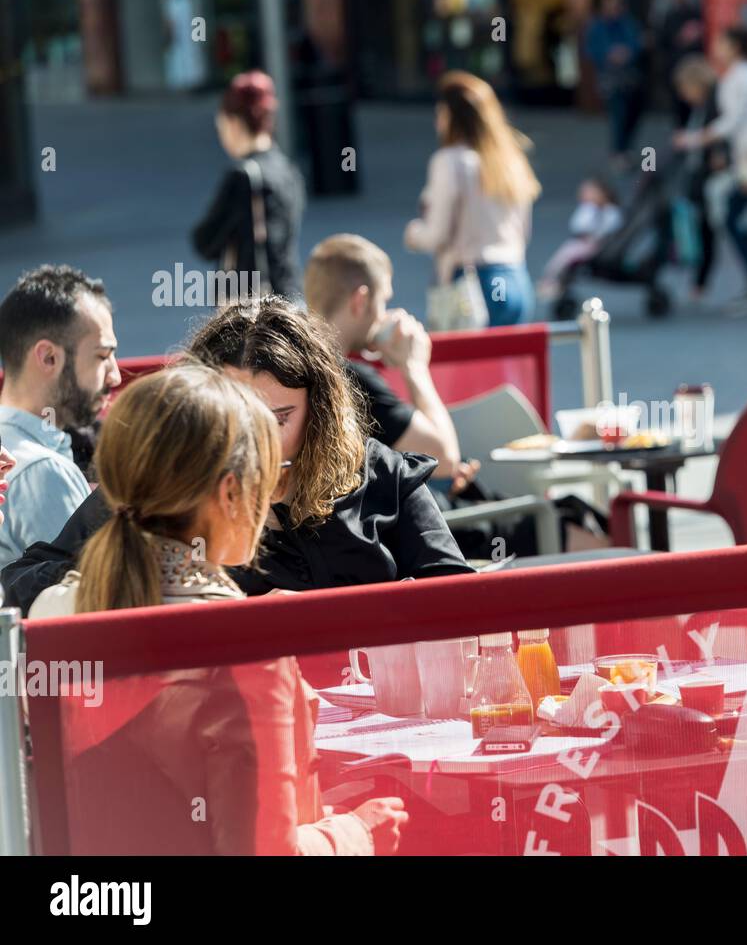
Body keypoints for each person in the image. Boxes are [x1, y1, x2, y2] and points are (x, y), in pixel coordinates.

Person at [28, 365, 408, 854]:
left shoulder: (53, 608)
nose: (272, 501)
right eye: (269, 481)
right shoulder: (244, 647)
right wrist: (353, 833)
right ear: (230, 493)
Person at [1, 297, 474, 616]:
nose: (256, 445)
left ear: (320, 411)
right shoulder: (167, 488)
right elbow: (20, 583)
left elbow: (464, 604)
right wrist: (149, 580)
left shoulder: (377, 472)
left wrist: (339, 619)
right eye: (237, 419)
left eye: (278, 419)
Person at [304, 233, 474, 490]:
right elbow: (446, 457)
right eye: (383, 300)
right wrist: (414, 367)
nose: (385, 315)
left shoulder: (295, 362)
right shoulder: (352, 379)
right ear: (360, 301)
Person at [0, 266, 120, 567]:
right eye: (103, 357)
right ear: (48, 357)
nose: (116, 376)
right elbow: (91, 598)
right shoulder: (46, 472)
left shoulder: (21, 452)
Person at [404, 71, 540, 328]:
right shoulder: (510, 160)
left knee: (468, 368)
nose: (437, 122)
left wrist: (414, 234)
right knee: (507, 367)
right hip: (516, 279)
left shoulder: (450, 161)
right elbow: (523, 231)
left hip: (472, 283)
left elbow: (438, 234)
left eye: (440, 114)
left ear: (451, 116)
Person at [675, 25, 747, 307]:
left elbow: (733, 121)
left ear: (734, 46)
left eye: (721, 43)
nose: (716, 49)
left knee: (746, 221)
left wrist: (694, 139)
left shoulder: (743, 77)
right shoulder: (746, 75)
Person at [192, 70, 306, 300]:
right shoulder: (288, 170)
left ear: (234, 123)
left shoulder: (243, 177)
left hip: (251, 309)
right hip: (291, 298)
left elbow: (204, 242)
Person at [673, 54, 729, 303]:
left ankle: (701, 281)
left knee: (712, 229)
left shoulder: (713, 105)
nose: (684, 95)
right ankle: (700, 280)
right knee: (710, 228)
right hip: (699, 176)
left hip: (710, 178)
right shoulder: (702, 106)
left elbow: (718, 135)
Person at [585, 0, 647, 169]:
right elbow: (591, 50)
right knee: (618, 114)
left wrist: (628, 52)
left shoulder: (627, 23)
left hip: (630, 76)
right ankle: (618, 151)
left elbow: (637, 41)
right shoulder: (595, 26)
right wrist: (608, 54)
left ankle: (626, 147)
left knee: (633, 112)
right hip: (609, 78)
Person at [536, 177, 623, 303]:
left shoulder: (611, 212)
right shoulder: (589, 209)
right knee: (566, 253)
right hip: (585, 244)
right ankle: (552, 281)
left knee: (568, 253)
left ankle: (551, 282)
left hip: (599, 247)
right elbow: (577, 225)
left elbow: (607, 231)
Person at [650, 0, 706, 125]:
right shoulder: (667, 14)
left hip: (697, 64)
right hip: (677, 65)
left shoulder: (699, 13)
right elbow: (661, 40)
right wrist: (680, 38)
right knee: (680, 106)